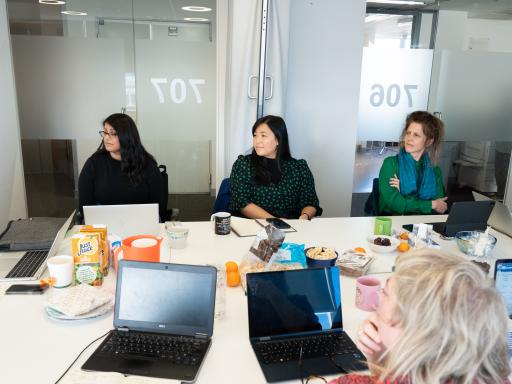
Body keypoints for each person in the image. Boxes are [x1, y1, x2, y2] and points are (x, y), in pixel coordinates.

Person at [329, 249, 511, 384]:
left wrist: (380, 364)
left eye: (386, 293)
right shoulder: (497, 377)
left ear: (415, 334)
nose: (376, 304)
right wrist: (382, 359)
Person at [229, 115, 322, 219]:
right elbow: (242, 203)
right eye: (255, 135)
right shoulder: (243, 164)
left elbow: (310, 202)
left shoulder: (299, 167)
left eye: (263, 136)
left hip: (291, 228)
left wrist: (305, 216)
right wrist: (276, 222)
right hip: (254, 227)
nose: (257, 141)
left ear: (278, 139)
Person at [78, 113, 162, 217]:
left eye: (112, 133)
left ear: (126, 136)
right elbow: (85, 207)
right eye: (105, 132)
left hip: (141, 225)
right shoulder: (94, 163)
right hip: (104, 227)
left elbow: (159, 207)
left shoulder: (147, 164)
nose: (106, 138)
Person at [378, 111, 447, 215]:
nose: (409, 138)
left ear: (429, 141)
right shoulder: (390, 164)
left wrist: (404, 195)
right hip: (393, 222)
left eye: (416, 135)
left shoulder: (435, 171)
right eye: (408, 133)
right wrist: (431, 204)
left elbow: (440, 207)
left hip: (423, 225)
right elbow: (395, 204)